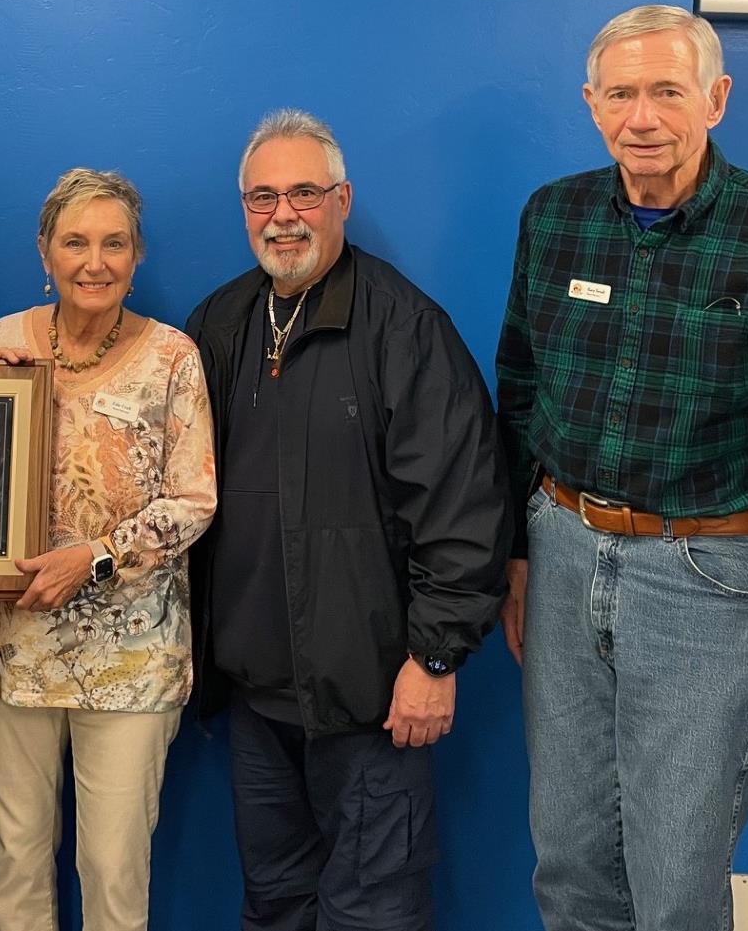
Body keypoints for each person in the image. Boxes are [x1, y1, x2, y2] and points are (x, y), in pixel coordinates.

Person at [494, 3, 748, 930]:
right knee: (569, 859)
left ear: (716, 99)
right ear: (591, 103)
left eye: (667, 91)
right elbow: (520, 389)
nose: (642, 117)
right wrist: (518, 553)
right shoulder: (555, 215)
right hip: (562, 549)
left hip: (708, 576)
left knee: (676, 881)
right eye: (620, 94)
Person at [183, 108, 507, 930]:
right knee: (275, 905)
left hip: (373, 703)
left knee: (375, 913)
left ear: (343, 200)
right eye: (262, 197)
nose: (282, 216)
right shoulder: (218, 325)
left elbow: (463, 504)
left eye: (304, 193)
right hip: (256, 699)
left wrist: (435, 657)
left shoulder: (406, 327)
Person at [0, 168, 216, 931]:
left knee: (113, 873)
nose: (95, 262)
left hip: (132, 662)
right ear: (44, 251)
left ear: (137, 254)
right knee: (16, 866)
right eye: (75, 242)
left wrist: (94, 556)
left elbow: (194, 501)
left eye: (114, 243)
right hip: (11, 651)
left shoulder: (173, 357)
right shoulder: (1, 343)